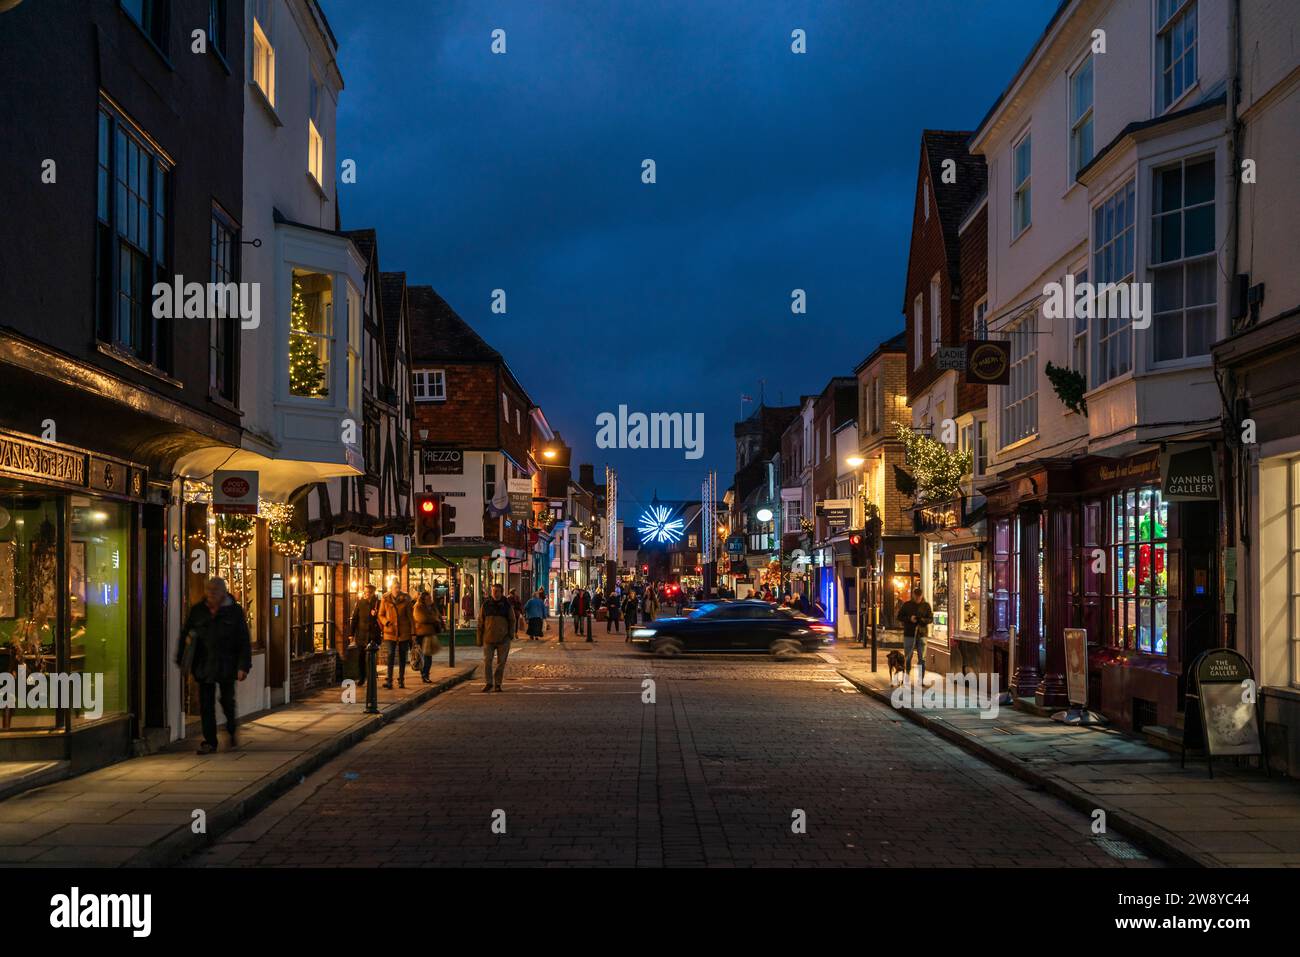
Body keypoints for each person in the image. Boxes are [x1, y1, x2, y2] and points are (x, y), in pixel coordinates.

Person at [177, 577, 252, 755]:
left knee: (227, 702)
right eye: (208, 590)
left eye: (215, 590)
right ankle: (210, 742)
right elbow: (185, 636)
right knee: (206, 705)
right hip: (204, 666)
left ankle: (232, 730)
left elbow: (243, 641)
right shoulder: (198, 611)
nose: (211, 593)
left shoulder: (234, 612)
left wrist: (243, 666)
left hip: (227, 665)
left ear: (223, 592)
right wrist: (182, 661)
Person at [477, 582, 515, 692]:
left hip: (503, 639)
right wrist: (479, 638)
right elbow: (480, 621)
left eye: (497, 591)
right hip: (488, 638)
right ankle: (488, 682)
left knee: (501, 662)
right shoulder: (486, 605)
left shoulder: (506, 605)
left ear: (501, 592)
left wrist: (510, 635)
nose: (495, 593)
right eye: (493, 591)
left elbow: (512, 620)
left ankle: (498, 683)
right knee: (487, 661)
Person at [377, 580, 415, 689]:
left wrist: (413, 632)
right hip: (390, 631)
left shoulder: (406, 599)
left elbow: (410, 617)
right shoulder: (385, 599)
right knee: (390, 655)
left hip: (404, 632)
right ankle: (389, 680)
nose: (397, 590)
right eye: (395, 588)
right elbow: (380, 614)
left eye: (398, 587)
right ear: (391, 588)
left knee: (403, 657)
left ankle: (401, 680)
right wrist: (386, 622)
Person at [898, 586, 934, 682]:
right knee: (908, 657)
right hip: (909, 634)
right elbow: (899, 616)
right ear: (913, 596)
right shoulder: (907, 605)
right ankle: (907, 676)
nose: (918, 599)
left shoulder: (926, 606)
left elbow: (930, 619)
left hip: (922, 634)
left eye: (919, 597)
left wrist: (922, 620)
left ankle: (920, 679)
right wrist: (910, 618)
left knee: (922, 658)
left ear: (922, 596)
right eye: (916, 597)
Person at [349, 583, 380, 685]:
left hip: (373, 634)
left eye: (369, 592)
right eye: (365, 592)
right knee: (361, 657)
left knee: (372, 657)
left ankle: (372, 677)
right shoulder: (360, 603)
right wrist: (351, 633)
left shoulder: (378, 603)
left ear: (373, 593)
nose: (367, 594)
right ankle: (362, 678)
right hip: (361, 634)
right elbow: (354, 618)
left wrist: (376, 615)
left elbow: (383, 616)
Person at [413, 589, 443, 683]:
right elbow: (422, 618)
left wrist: (436, 620)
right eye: (428, 598)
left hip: (431, 633)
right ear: (423, 599)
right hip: (422, 634)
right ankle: (424, 674)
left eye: (430, 598)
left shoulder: (432, 607)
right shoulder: (418, 607)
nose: (430, 600)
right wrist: (434, 619)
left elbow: (438, 616)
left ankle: (426, 674)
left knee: (428, 656)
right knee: (423, 657)